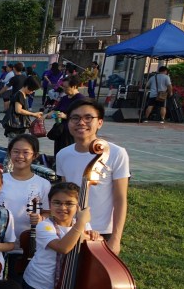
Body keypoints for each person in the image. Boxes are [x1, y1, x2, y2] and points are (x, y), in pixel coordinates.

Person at [55, 99, 129, 254]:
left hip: (101, 231)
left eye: (88, 118)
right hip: (71, 229)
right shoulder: (63, 154)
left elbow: (120, 199)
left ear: (99, 123)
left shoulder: (116, 153)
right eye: (75, 118)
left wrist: (116, 239)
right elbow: (64, 195)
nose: (81, 122)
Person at [22, 182, 98, 289]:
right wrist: (81, 223)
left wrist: (93, 235)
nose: (62, 208)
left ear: (78, 207)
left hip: (65, 285)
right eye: (57, 202)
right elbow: (63, 247)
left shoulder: (83, 226)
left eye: (69, 203)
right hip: (39, 284)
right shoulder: (44, 226)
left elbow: (91, 242)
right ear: (50, 204)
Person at [0, 134, 50, 281]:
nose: (20, 156)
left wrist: (40, 218)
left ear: (35, 155)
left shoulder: (43, 184)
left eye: (26, 152)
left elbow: (47, 212)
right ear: (9, 153)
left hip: (26, 245)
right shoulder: (0, 179)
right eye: (16, 151)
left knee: (17, 284)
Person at [46, 77, 83, 157]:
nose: (64, 89)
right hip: (60, 130)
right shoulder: (64, 98)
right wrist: (48, 115)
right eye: (63, 87)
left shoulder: (80, 99)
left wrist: (66, 116)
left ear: (74, 86)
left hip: (71, 132)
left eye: (66, 87)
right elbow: (56, 110)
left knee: (68, 154)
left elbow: (81, 116)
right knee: (58, 153)